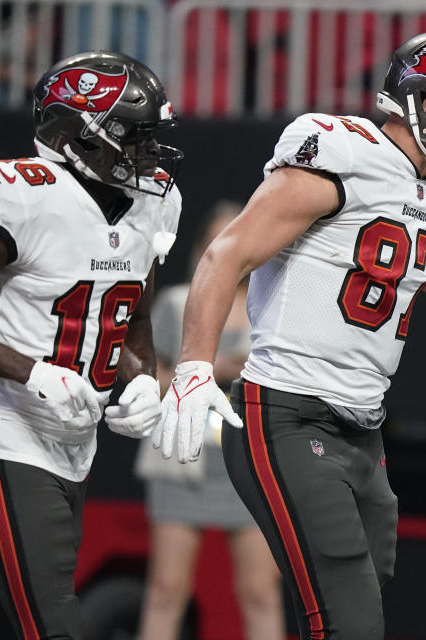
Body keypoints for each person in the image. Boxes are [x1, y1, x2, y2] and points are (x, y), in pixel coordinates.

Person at [155, 30, 426, 640]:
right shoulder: (341, 151)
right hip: (288, 411)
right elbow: (226, 254)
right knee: (347, 619)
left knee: (362, 602)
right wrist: (193, 366)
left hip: (362, 428)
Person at [0, 50, 184, 640]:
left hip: (74, 446)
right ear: (76, 137)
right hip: (4, 433)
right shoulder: (25, 194)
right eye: (134, 134)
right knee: (53, 624)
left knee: (2, 628)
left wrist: (142, 380)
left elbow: (132, 318)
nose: (149, 151)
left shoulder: (156, 198)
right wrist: (31, 372)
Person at [134, 201, 284, 640]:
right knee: (166, 589)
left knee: (260, 591)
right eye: (216, 239)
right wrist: (211, 369)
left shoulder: (273, 307)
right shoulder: (178, 302)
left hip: (250, 465)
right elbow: (150, 374)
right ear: (202, 247)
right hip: (183, 459)